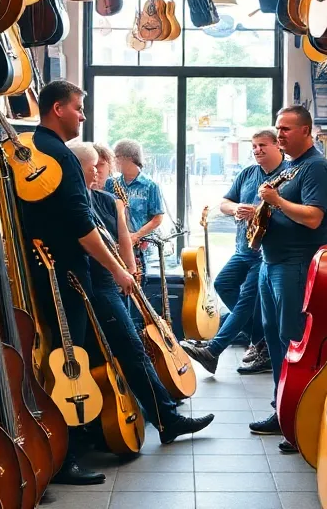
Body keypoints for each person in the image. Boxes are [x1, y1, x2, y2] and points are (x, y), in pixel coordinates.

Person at [18, 80, 137, 486]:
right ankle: (64, 458)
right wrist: (119, 268)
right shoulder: (61, 158)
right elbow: (82, 226)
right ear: (56, 109)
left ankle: (70, 443)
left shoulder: (31, 150)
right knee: (66, 362)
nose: (82, 116)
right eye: (78, 108)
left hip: (40, 270)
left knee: (57, 359)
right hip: (66, 274)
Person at [65, 142, 214, 446]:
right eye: (93, 166)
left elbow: (121, 237)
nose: (99, 170)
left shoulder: (104, 200)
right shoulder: (75, 201)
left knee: (129, 349)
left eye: (100, 165)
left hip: (113, 282)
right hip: (96, 285)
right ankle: (165, 419)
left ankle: (153, 415)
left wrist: (129, 270)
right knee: (130, 350)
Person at [247, 105, 327, 453]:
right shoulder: (289, 166)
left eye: (285, 129)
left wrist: (276, 201)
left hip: (295, 265)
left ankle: (298, 418)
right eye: (278, 128)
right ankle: (281, 409)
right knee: (274, 341)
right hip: (271, 263)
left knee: (292, 343)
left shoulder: (315, 167)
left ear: (305, 130)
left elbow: (314, 218)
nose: (279, 133)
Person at [179, 129, 286, 375]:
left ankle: (213, 351)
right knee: (223, 284)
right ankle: (263, 344)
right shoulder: (247, 173)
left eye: (263, 145)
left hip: (267, 252)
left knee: (246, 300)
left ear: (276, 146)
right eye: (254, 146)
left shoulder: (287, 175)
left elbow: (289, 210)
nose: (257, 150)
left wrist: (258, 211)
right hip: (243, 248)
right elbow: (224, 203)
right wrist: (237, 208)